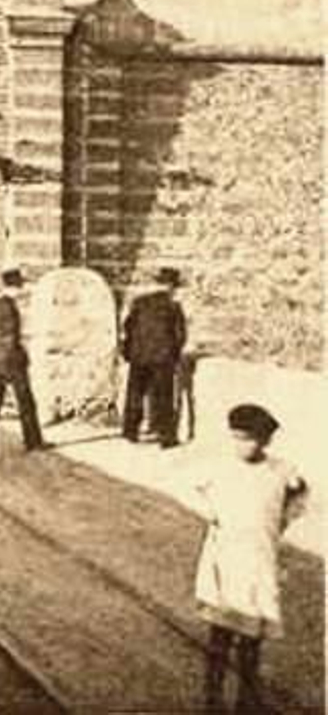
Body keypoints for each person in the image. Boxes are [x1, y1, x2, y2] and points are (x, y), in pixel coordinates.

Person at [193, 403, 308, 713]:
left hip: (259, 560)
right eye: (236, 437)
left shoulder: (281, 470)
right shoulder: (219, 466)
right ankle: (213, 699)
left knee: (252, 635)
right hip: (226, 559)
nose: (242, 445)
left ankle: (246, 698)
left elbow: (299, 494)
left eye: (249, 439)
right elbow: (192, 489)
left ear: (265, 441)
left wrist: (283, 521)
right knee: (221, 632)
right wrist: (211, 513)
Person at [0, 267, 48, 458]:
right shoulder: (10, 308)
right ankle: (33, 442)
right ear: (15, 286)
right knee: (26, 403)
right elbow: (11, 338)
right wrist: (19, 356)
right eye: (20, 285)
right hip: (11, 362)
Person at [122, 266, 189, 448]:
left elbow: (128, 327)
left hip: (139, 356)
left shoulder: (139, 302)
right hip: (162, 358)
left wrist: (128, 352)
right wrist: (174, 353)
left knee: (135, 394)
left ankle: (130, 431)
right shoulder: (173, 307)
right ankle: (166, 436)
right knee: (163, 396)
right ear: (171, 286)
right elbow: (180, 335)